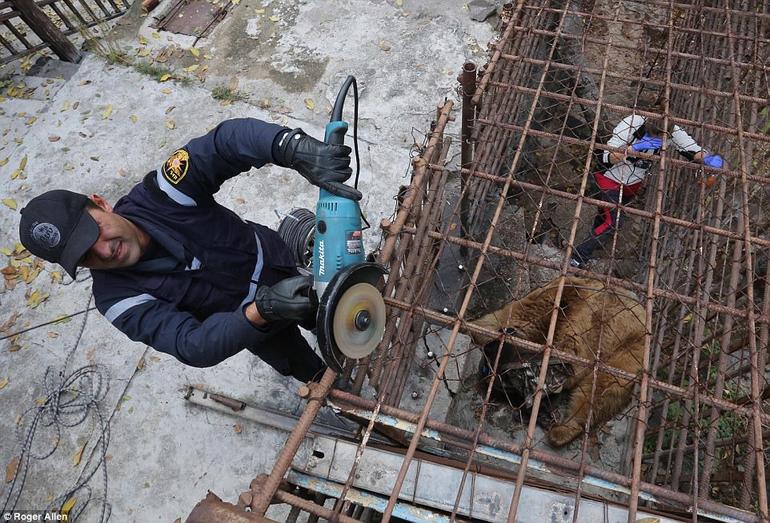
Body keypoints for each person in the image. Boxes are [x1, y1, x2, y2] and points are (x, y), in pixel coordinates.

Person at [18, 118, 362, 383]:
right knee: (310, 372)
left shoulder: (163, 194)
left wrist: (292, 147)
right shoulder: (116, 299)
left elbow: (223, 144)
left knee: (332, 316)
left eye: (96, 231)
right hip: (255, 324)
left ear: (100, 203)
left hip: (278, 260)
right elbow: (191, 345)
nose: (105, 252)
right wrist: (263, 310)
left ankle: (330, 330)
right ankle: (336, 391)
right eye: (86, 256)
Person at [570, 112, 723, 268]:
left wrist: (709, 158)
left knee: (604, 217)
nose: (659, 139)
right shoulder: (632, 124)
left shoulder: (673, 131)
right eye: (654, 135)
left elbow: (693, 150)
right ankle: (577, 257)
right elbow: (605, 156)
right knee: (614, 222)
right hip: (609, 178)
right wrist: (633, 148)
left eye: (662, 137)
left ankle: (588, 250)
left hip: (633, 184)